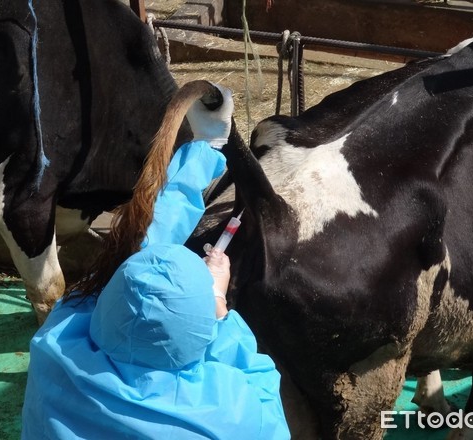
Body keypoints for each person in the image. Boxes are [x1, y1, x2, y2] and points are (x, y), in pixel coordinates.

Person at [21, 82, 290, 439]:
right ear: (201, 329)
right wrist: (220, 306)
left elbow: (137, 253)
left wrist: (204, 148)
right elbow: (259, 382)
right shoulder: (232, 416)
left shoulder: (54, 351)